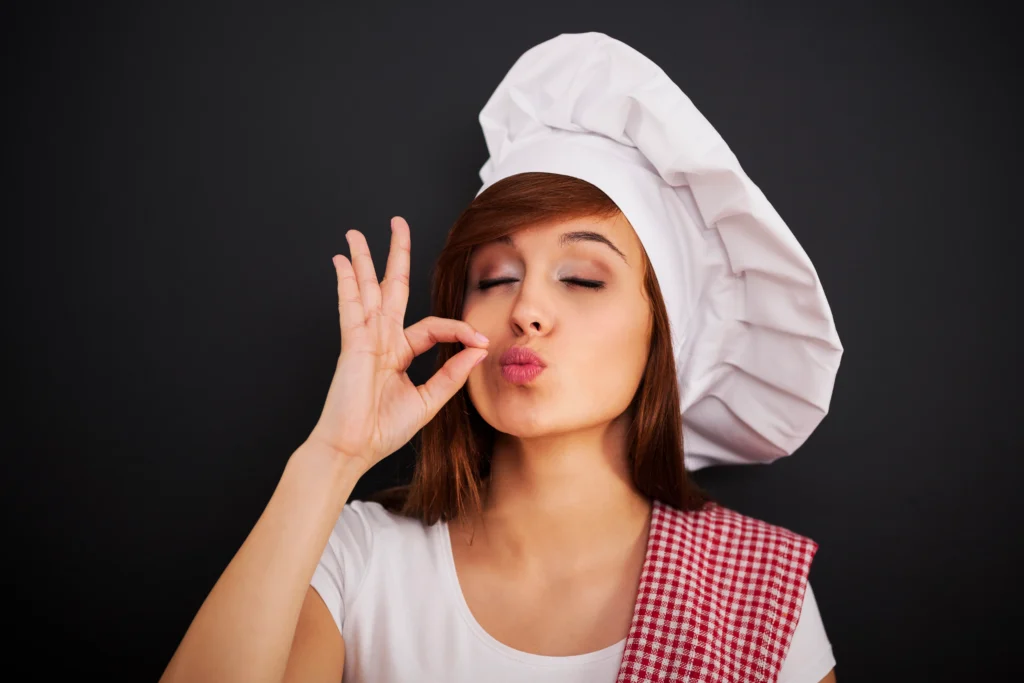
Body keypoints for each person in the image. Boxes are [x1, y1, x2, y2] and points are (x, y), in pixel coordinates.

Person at [160, 32, 841, 683]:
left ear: (663, 335)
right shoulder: (359, 556)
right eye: (494, 277)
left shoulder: (753, 592)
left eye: (581, 278)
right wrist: (331, 458)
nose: (525, 309)